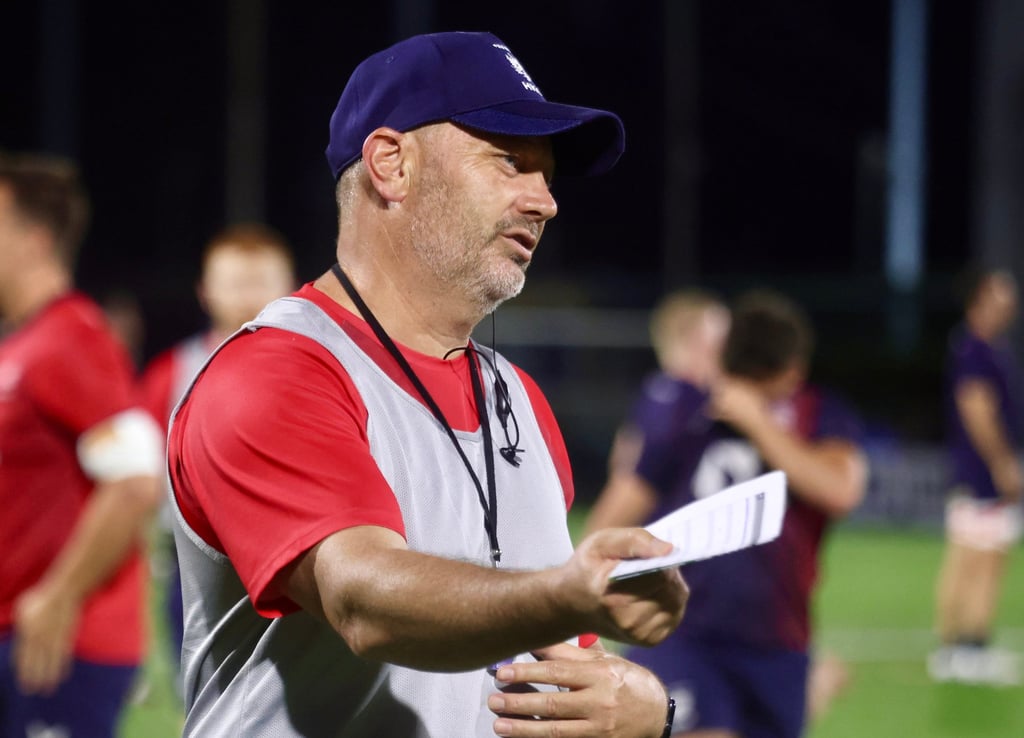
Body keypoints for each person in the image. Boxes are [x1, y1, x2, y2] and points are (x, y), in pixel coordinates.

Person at [166, 31, 687, 738]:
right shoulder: (275, 372)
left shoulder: (520, 401)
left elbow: (558, 663)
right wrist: (568, 595)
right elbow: (363, 599)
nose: (546, 201)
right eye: (511, 161)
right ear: (391, 164)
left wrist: (645, 709)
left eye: (548, 174)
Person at [588, 289, 866, 738]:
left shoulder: (817, 412)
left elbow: (840, 491)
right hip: (682, 631)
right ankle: (819, 682)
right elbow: (618, 508)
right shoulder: (683, 407)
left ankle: (817, 684)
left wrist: (758, 423)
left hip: (780, 640)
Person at [0, 153, 165, 736]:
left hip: (60, 645)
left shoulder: (72, 337)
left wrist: (59, 596)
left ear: (36, 240)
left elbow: (136, 479)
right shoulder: (26, 344)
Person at [139, 223, 296, 684]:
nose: (248, 295)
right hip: (193, 570)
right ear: (205, 292)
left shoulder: (313, 368)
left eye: (261, 281)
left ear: (289, 286)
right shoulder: (171, 370)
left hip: (288, 562)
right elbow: (140, 471)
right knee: (201, 699)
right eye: (234, 282)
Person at [929, 267, 1023, 685]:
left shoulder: (981, 347)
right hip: (981, 472)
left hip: (975, 470)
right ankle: (967, 649)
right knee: (980, 560)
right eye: (1001, 297)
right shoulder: (975, 350)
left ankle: (957, 650)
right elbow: (977, 410)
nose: (1010, 305)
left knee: (969, 556)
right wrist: (1004, 462)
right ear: (980, 300)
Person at [586, 289, 730, 535]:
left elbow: (622, 460)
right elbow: (632, 485)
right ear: (694, 340)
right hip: (674, 553)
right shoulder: (680, 403)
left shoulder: (658, 394)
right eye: (721, 341)